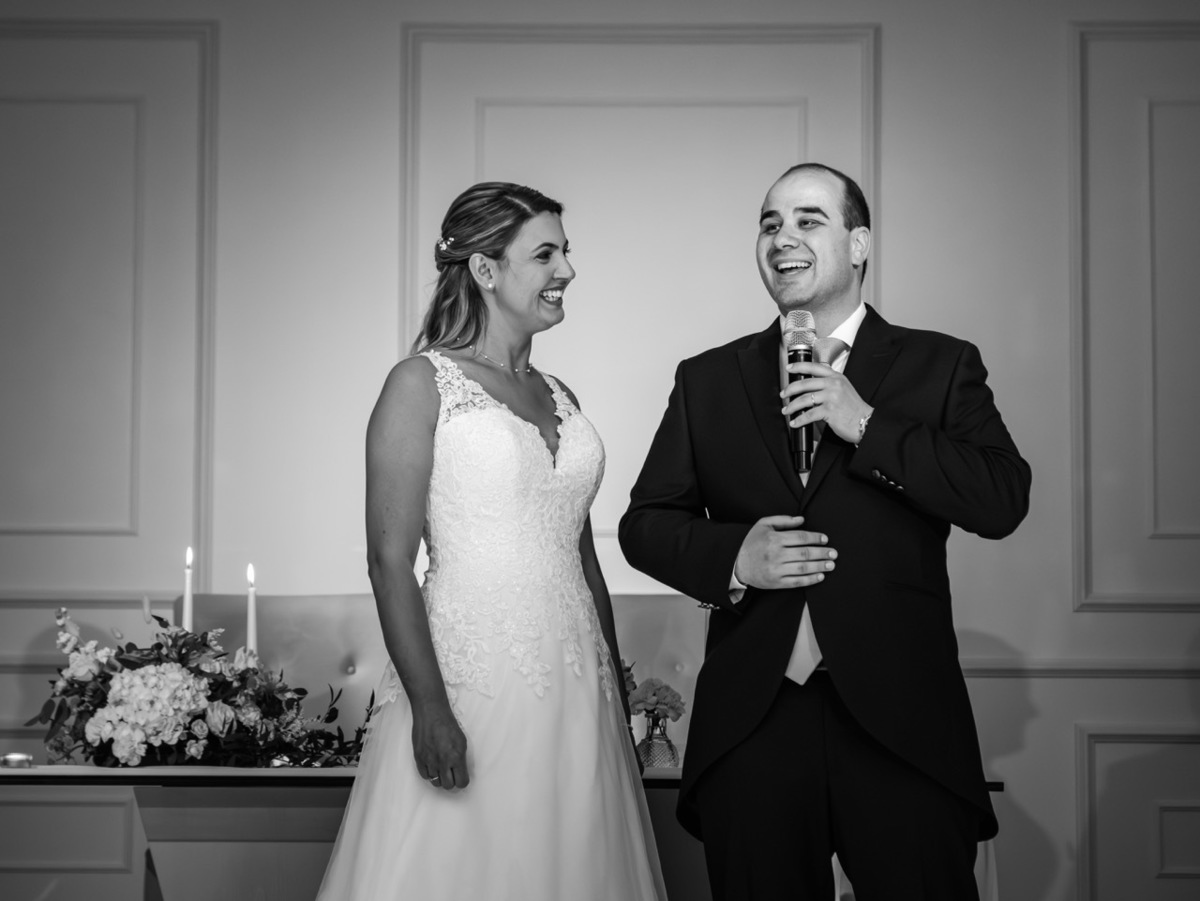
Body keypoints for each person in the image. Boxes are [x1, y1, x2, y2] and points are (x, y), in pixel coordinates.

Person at [619, 162, 1031, 901]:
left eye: (808, 220)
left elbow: (1001, 498)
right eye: (770, 223)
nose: (783, 237)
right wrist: (735, 557)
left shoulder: (940, 364)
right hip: (753, 725)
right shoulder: (707, 379)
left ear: (860, 244)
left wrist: (864, 423)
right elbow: (645, 524)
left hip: (903, 721)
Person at [318, 182, 667, 900]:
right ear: (484, 269)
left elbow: (583, 559)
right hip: (473, 682)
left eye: (565, 252)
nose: (567, 270)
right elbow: (389, 562)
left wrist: (617, 690)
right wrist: (431, 710)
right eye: (545, 255)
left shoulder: (562, 395)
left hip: (579, 687)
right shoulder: (420, 384)